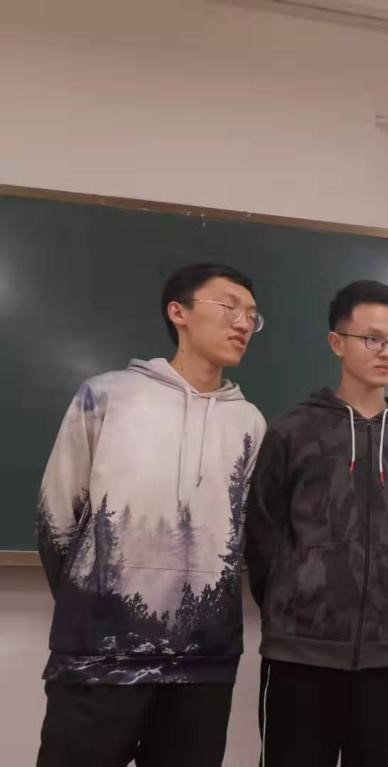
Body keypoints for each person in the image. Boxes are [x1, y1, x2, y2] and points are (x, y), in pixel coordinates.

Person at [36, 263, 267, 766]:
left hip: (204, 665)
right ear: (179, 312)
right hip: (99, 659)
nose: (243, 323)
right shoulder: (106, 396)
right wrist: (94, 604)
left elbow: (243, 534)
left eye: (252, 315)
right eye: (229, 307)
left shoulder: (249, 422)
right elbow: (56, 517)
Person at [246, 279, 388, 767]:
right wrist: (297, 601)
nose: (387, 352)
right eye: (372, 339)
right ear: (337, 342)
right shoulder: (292, 430)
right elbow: (263, 536)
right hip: (301, 656)